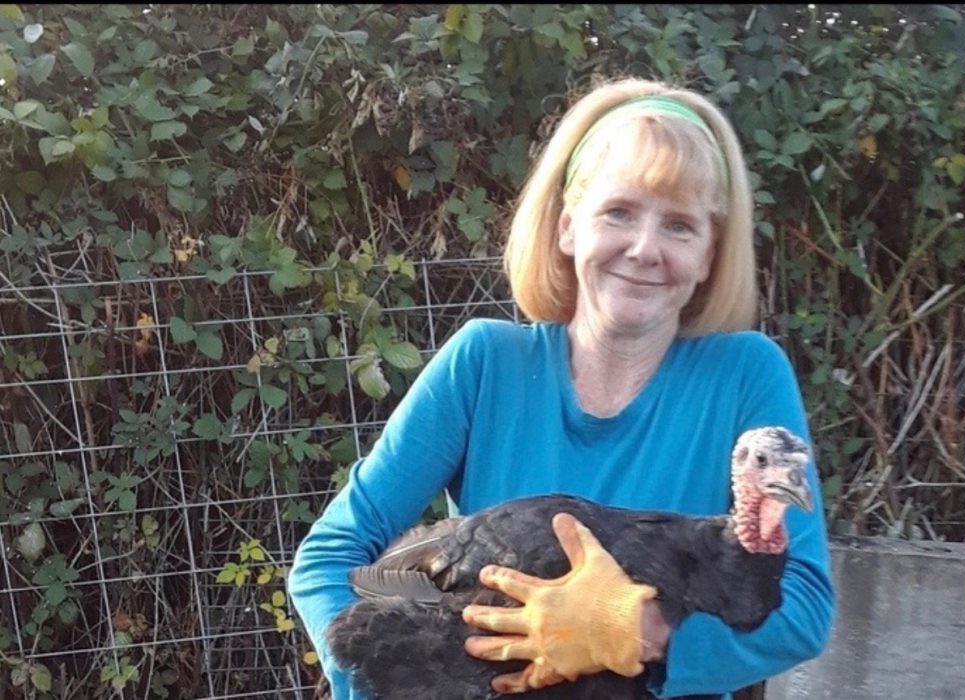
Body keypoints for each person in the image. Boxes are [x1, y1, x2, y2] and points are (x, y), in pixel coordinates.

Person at [287, 76, 835, 699]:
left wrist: (635, 633)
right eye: (619, 213)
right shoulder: (486, 364)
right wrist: (384, 684)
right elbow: (331, 554)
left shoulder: (744, 375)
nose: (644, 248)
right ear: (569, 228)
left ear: (710, 255)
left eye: (680, 226)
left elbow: (802, 607)